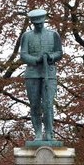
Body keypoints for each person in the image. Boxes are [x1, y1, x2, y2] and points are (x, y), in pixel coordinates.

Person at [20, 9, 63, 141]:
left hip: (49, 74)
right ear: (33, 23)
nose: (38, 25)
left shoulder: (53, 34)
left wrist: (50, 56)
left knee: (48, 104)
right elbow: (23, 55)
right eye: (36, 23)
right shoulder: (26, 36)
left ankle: (49, 133)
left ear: (44, 21)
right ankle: (38, 133)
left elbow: (59, 52)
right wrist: (36, 60)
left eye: (40, 23)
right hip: (32, 74)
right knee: (34, 105)